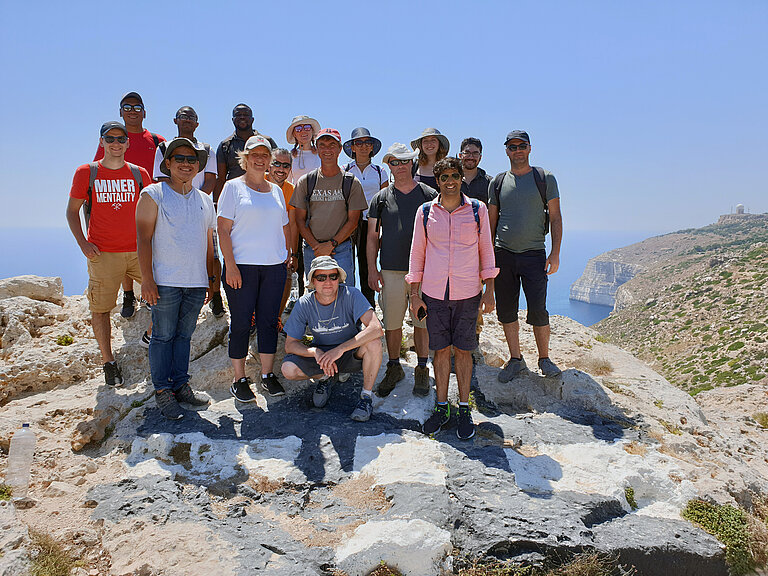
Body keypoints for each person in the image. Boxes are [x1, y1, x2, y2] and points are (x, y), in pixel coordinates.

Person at [406, 157, 498, 440]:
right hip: (434, 293)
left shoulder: (476, 210)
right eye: (444, 177)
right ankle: (442, 406)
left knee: (465, 351)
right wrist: (414, 295)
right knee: (441, 351)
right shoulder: (424, 212)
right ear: (437, 181)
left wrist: (490, 290)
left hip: (468, 292)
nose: (449, 182)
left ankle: (463, 408)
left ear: (462, 179)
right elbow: (417, 253)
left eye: (454, 176)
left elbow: (486, 249)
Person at [136, 138, 215, 420]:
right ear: (167, 163)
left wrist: (211, 279)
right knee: (162, 337)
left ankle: (181, 385)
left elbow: (209, 243)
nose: (186, 163)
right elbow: (143, 239)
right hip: (165, 281)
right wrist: (147, 280)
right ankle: (162, 391)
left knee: (184, 337)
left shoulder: (206, 200)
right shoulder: (153, 194)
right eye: (179, 158)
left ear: (198, 166)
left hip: (195, 282)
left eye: (192, 159)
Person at [67, 121, 151, 386]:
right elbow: (72, 211)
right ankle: (108, 362)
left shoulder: (140, 174)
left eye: (120, 139)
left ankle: (149, 336)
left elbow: (151, 213)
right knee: (101, 310)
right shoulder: (87, 172)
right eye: (110, 138)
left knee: (167, 296)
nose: (116, 143)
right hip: (103, 253)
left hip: (138, 251)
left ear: (128, 143)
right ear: (101, 142)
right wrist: (83, 243)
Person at [218, 135, 293, 402]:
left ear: (270, 159)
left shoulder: (275, 191)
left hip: (273, 268)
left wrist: (287, 253)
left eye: (264, 155)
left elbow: (284, 223)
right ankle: (239, 379)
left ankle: (266, 375)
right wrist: (231, 266)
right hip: (243, 268)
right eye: (254, 155)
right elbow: (223, 230)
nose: (260, 159)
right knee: (240, 323)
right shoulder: (232, 187)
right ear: (245, 158)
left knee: (269, 323)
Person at [489, 130, 563, 381]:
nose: (517, 150)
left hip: (534, 254)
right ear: (506, 150)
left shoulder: (544, 178)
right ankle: (516, 359)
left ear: (529, 149)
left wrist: (555, 252)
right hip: (503, 254)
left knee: (538, 310)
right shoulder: (498, 182)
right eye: (512, 146)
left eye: (522, 146)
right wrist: (488, 257)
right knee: (507, 311)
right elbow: (491, 222)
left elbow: (555, 217)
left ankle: (544, 359)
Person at [367, 143, 436, 397]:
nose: (400, 166)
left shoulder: (429, 195)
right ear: (389, 166)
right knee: (392, 322)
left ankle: (421, 368)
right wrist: (372, 270)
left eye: (404, 161)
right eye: (394, 162)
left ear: (412, 163)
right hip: (391, 270)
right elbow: (372, 237)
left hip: (423, 272)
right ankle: (394, 366)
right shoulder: (381, 199)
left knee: (422, 321)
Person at [281, 256, 383, 422]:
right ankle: (324, 377)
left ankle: (366, 397)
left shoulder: (352, 294)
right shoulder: (303, 304)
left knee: (374, 343)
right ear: (313, 281)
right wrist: (315, 352)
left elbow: (376, 328)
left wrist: (340, 349)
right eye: (321, 277)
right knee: (288, 369)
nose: (327, 282)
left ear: (339, 279)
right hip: (323, 356)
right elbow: (290, 345)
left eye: (332, 276)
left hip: (349, 353)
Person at [94, 92, 165, 319]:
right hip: (119, 202)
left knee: (149, 248)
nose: (132, 111)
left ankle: (147, 290)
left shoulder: (157, 141)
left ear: (144, 112)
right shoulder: (112, 139)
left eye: (137, 107)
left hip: (150, 203)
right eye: (127, 107)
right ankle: (127, 294)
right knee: (124, 247)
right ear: (121, 112)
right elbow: (98, 169)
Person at [152, 106, 225, 318]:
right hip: (170, 208)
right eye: (183, 116)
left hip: (201, 206)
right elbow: (162, 178)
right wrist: (180, 199)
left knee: (212, 252)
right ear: (175, 120)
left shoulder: (207, 149)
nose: (187, 120)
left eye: (191, 117)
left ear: (197, 123)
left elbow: (211, 179)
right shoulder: (163, 148)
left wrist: (193, 201)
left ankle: (216, 293)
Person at [290, 128, 367, 285]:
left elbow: (353, 221)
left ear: (339, 149)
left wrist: (330, 245)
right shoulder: (306, 181)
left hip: (342, 249)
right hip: (313, 249)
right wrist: (317, 247)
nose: (327, 149)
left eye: (332, 145)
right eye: (323, 145)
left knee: (344, 296)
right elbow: (299, 220)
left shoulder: (351, 182)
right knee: (315, 297)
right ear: (317, 149)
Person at [342, 127, 389, 307]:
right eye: (358, 143)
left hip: (372, 223)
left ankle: (369, 307)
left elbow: (385, 199)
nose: (363, 146)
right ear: (352, 147)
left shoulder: (380, 171)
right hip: (347, 222)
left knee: (367, 264)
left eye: (367, 143)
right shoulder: (344, 169)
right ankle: (349, 306)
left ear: (372, 147)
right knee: (347, 266)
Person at [214, 104, 277, 201]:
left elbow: (276, 170)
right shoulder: (225, 146)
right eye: (238, 115)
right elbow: (221, 178)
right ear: (233, 120)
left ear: (252, 119)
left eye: (246, 114)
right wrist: (216, 204)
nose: (242, 117)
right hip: (235, 197)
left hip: (265, 194)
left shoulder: (267, 142)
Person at [265, 148, 299, 324]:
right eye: (276, 163)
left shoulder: (290, 189)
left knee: (286, 276)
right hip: (257, 244)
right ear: (268, 166)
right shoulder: (257, 182)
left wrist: (292, 254)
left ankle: (276, 319)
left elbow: (293, 223)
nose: (280, 169)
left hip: (279, 243)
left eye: (286, 165)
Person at [285, 115, 321, 183]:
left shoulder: (321, 155)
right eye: (298, 129)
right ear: (294, 134)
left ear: (312, 131)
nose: (303, 131)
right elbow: (287, 182)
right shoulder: (290, 157)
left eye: (307, 127)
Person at [459, 137, 491, 203]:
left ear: (480, 157)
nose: (471, 157)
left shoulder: (489, 183)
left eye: (475, 153)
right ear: (460, 155)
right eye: (467, 153)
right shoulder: (450, 180)